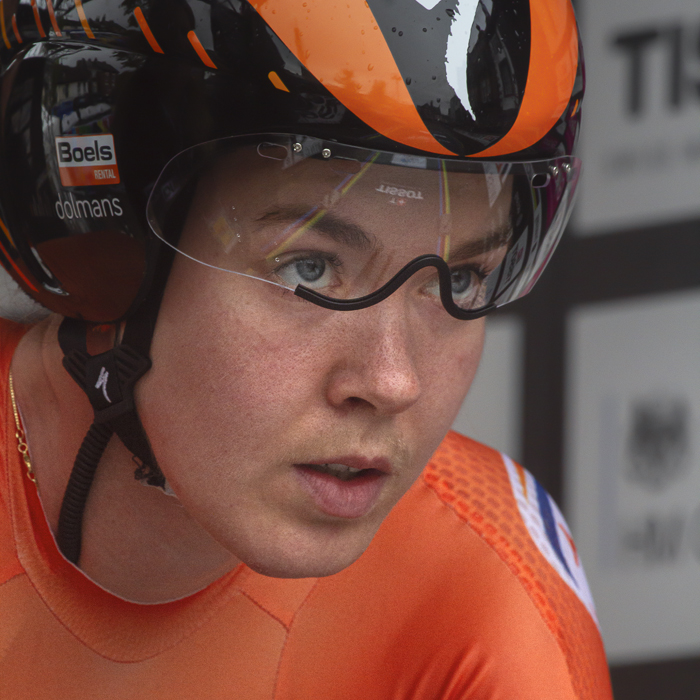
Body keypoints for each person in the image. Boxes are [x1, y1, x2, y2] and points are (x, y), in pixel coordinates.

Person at [0, 0, 612, 697]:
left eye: (462, 279)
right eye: (310, 269)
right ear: (99, 253)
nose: (392, 380)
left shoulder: (480, 596)